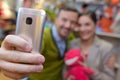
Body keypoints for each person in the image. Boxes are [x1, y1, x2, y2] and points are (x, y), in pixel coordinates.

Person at [0, 6, 79, 80]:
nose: (68, 25)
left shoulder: (70, 37)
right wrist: (11, 57)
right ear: (56, 19)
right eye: (64, 20)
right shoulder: (43, 35)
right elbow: (36, 48)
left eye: (72, 22)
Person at [67, 11, 116, 80]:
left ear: (96, 25)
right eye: (79, 25)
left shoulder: (106, 48)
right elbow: (66, 69)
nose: (82, 29)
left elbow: (110, 78)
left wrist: (89, 70)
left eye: (87, 24)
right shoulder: (72, 44)